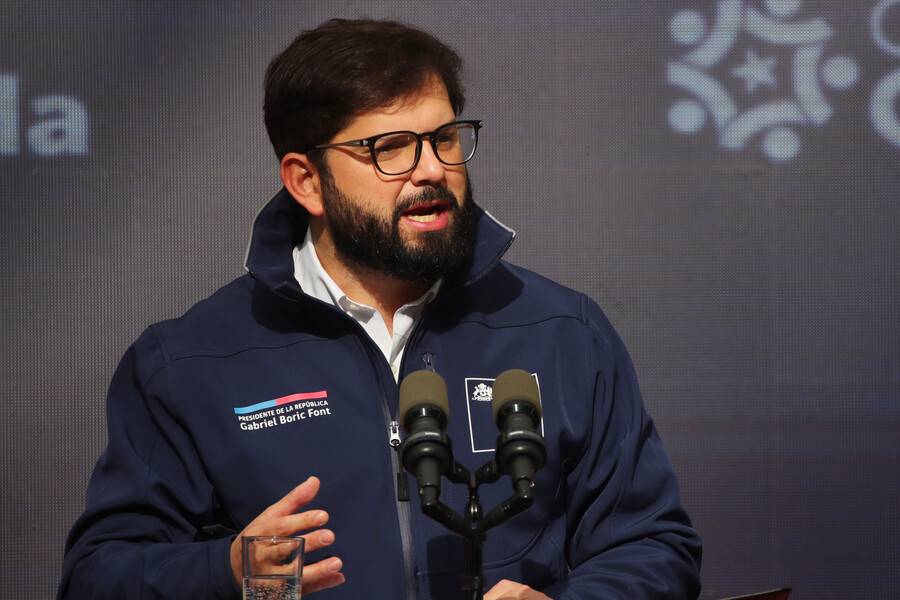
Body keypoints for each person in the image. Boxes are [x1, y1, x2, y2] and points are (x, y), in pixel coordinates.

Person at [59, 18, 702, 600]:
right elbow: (97, 578)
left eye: (444, 138)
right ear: (307, 181)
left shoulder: (563, 332)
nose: (432, 170)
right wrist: (226, 572)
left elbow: (654, 547)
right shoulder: (189, 362)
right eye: (389, 148)